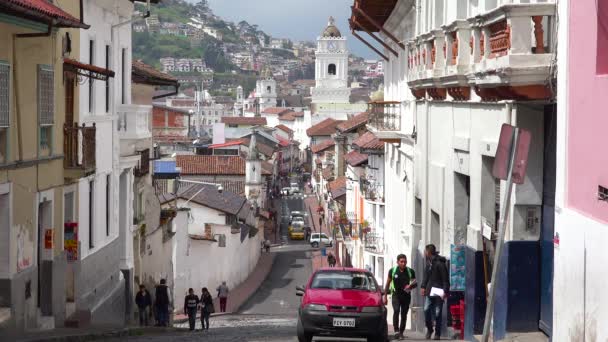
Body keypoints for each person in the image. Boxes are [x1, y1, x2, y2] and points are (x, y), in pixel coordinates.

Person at [383, 254, 417, 340]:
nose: (403, 263)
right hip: (396, 295)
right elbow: (387, 284)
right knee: (396, 310)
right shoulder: (393, 271)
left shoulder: (410, 271)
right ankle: (396, 331)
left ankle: (401, 332)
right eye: (401, 262)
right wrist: (385, 296)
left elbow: (414, 283)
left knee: (404, 314)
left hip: (406, 296)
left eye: (405, 261)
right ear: (397, 262)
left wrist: (410, 286)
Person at [420, 244, 449, 340]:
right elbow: (426, 277)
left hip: (438, 292)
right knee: (426, 309)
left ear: (428, 252)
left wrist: (445, 291)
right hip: (429, 292)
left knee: (437, 313)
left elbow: (445, 279)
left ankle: (437, 333)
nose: (424, 253)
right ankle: (429, 329)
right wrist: (423, 287)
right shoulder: (429, 263)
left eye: (425, 251)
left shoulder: (440, 264)